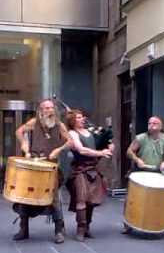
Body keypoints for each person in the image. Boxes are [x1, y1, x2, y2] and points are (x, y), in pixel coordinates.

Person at [12, 98, 70, 244]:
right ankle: (23, 229)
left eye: (51, 108)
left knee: (54, 197)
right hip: (34, 164)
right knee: (25, 194)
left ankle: (59, 230)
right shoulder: (34, 122)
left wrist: (59, 149)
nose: (49, 110)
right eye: (46, 108)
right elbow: (19, 131)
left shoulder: (59, 125)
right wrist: (24, 143)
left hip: (51, 166)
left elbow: (70, 141)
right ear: (41, 111)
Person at [123, 116, 164, 238]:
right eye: (149, 123)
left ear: (161, 126)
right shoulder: (140, 138)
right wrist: (137, 159)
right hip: (141, 171)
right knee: (132, 198)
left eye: (155, 123)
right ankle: (128, 224)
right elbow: (129, 151)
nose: (151, 125)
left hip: (157, 172)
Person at [66, 110, 112, 241]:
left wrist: (109, 144)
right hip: (80, 170)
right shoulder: (72, 133)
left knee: (92, 201)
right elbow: (81, 149)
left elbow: (103, 143)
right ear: (73, 121)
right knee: (81, 200)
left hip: (93, 169)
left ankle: (87, 228)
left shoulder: (90, 132)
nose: (82, 119)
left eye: (82, 117)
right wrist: (100, 153)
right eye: (79, 117)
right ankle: (80, 229)